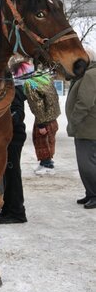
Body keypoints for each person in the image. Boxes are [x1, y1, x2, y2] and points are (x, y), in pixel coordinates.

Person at [0, 55, 30, 224]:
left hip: (14, 137)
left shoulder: (14, 89)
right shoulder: (7, 86)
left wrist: (2, 121)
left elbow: (18, 114)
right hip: (9, 136)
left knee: (12, 174)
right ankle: (9, 208)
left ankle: (17, 212)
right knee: (8, 174)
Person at [65, 47, 96, 209]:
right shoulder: (87, 73)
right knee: (87, 163)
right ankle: (90, 193)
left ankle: (94, 194)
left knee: (87, 164)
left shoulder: (91, 75)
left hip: (88, 128)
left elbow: (85, 103)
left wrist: (74, 122)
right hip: (86, 128)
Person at [23, 68, 61, 175]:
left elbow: (36, 104)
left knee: (42, 141)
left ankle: (48, 164)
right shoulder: (45, 78)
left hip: (43, 118)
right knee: (49, 140)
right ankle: (44, 162)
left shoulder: (30, 83)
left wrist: (41, 124)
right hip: (52, 117)